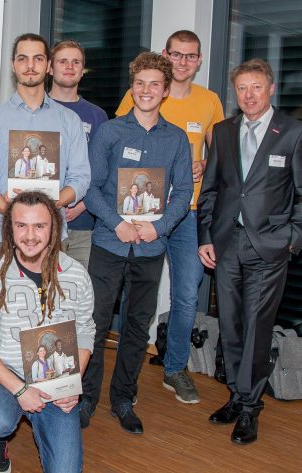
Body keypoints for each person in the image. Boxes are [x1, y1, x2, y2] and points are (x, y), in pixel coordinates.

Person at [82, 52, 192, 434]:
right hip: (109, 244)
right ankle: (86, 398)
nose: (146, 90)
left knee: (136, 328)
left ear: (165, 91)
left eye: (154, 85)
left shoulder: (176, 138)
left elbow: (183, 194)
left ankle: (124, 399)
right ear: (132, 87)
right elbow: (91, 188)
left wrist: (157, 228)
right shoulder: (109, 132)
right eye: (140, 83)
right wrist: (117, 224)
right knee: (94, 325)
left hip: (150, 249)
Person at [116, 30, 224, 404]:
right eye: (176, 54)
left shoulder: (210, 101)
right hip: (139, 214)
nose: (183, 61)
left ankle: (175, 368)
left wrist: (207, 164)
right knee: (134, 293)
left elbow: (222, 155)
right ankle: (123, 370)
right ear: (165, 55)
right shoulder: (139, 93)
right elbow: (120, 145)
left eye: (190, 56)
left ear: (198, 60)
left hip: (187, 213)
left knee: (186, 296)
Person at [198, 58, 302, 445]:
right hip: (226, 245)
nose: (249, 95)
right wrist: (205, 236)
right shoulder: (223, 132)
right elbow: (211, 190)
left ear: (271, 88)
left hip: (269, 245)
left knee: (257, 327)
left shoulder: (292, 132)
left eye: (256, 87)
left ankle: (249, 408)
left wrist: (291, 238)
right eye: (242, 88)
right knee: (231, 325)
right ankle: (237, 396)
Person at [0, 191, 95, 473]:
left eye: (40, 226)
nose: (30, 235)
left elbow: (85, 331)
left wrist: (73, 384)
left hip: (56, 378)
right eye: (21, 225)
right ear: (9, 230)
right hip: (9, 376)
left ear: (54, 228)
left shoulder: (76, 274)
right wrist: (21, 390)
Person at [0, 33, 90, 265]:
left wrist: (50, 203)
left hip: (52, 235)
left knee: (51, 302)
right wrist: (12, 209)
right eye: (22, 58)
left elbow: (81, 178)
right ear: (13, 65)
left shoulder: (70, 120)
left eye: (37, 59)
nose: (29, 66)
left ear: (48, 66)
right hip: (1, 236)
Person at [48, 39, 109, 269]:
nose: (70, 66)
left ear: (83, 71)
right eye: (63, 61)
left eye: (76, 62)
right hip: (44, 223)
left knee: (79, 297)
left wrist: (82, 203)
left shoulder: (98, 116)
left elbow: (102, 169)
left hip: (83, 222)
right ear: (51, 68)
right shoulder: (38, 111)